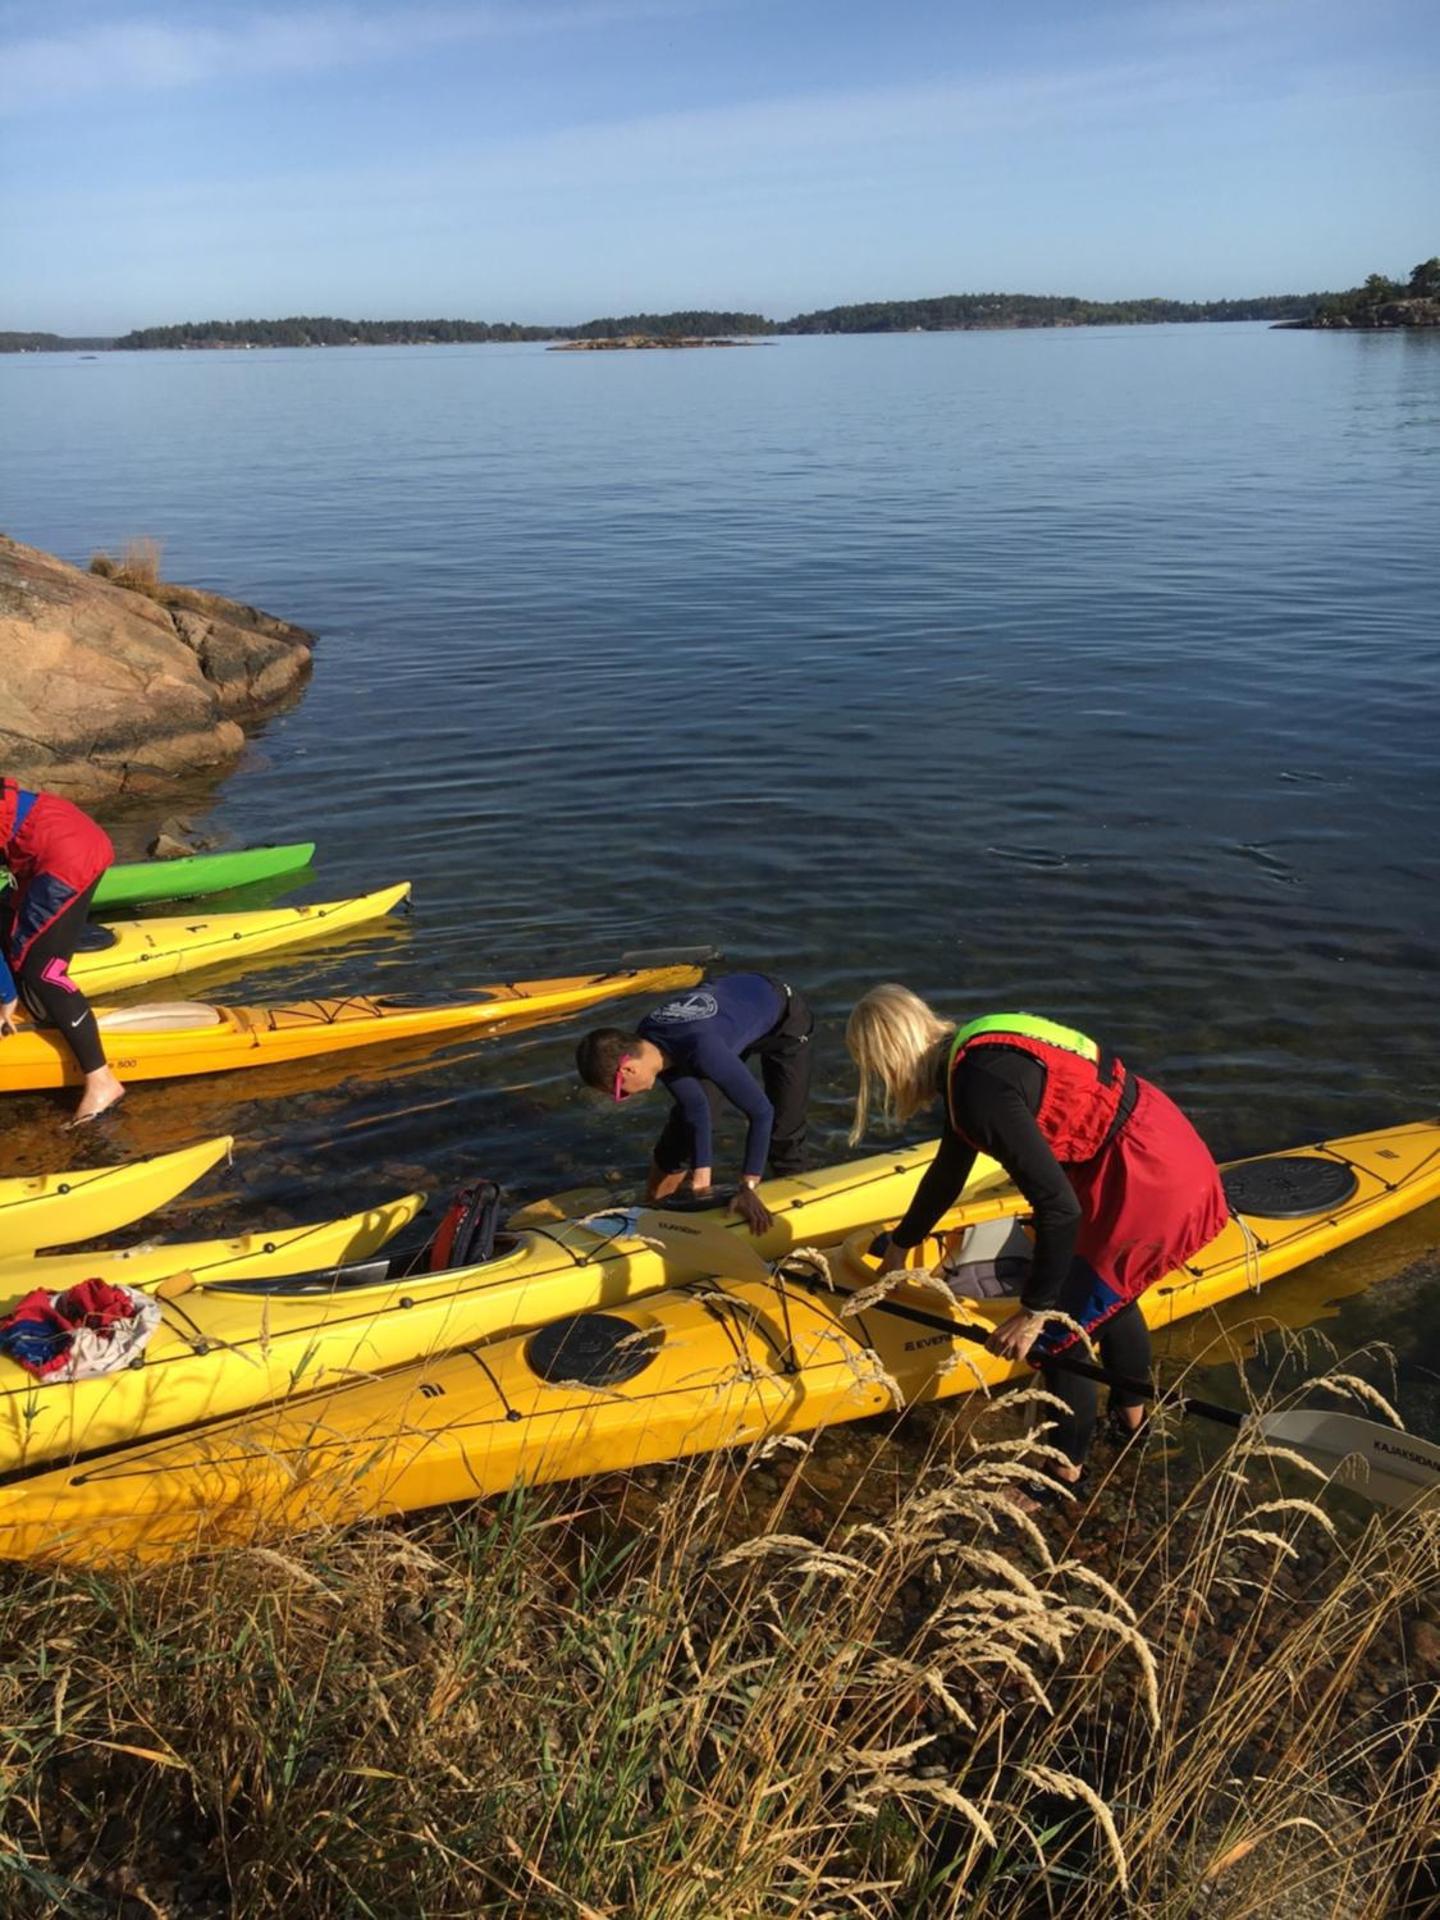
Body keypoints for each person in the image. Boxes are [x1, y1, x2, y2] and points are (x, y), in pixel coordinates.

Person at [847, 985, 1228, 1498]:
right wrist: (902, 1242)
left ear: (889, 1059)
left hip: (1145, 1178)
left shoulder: (977, 1090)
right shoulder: (976, 1053)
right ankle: (1133, 1426)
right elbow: (947, 1172)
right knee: (1111, 1297)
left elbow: (1059, 1210)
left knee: (1060, 1336)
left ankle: (1059, 1476)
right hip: (1160, 1144)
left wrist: (1033, 1312)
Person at [575, 972, 814, 1235]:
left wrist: (747, 1187)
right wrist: (702, 1175)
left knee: (783, 1131)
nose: (624, 1098)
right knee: (686, 1127)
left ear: (629, 1070)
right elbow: (696, 1108)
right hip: (726, 1020)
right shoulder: (650, 1042)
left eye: (620, 1092)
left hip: (782, 1020)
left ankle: (800, 1218)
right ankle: (654, 1209)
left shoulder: (702, 1049)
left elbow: (760, 1112)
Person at [0, 776, 126, 1124]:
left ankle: (102, 1081)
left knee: (44, 970)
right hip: (52, 837)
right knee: (5, 919)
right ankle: (37, 1010)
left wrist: (5, 993)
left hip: (69, 851)